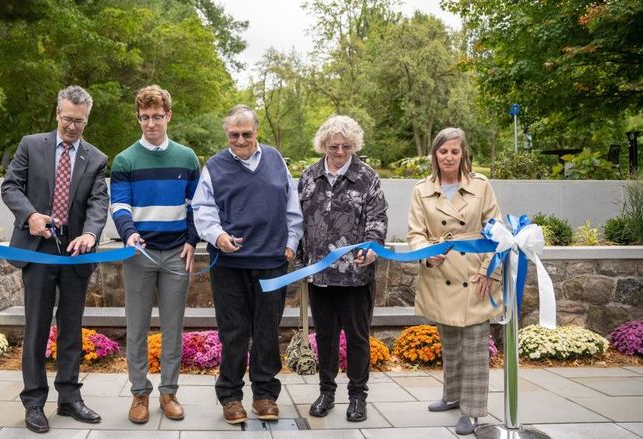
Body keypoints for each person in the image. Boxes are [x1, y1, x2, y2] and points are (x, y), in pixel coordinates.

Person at [1, 85, 109, 433]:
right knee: (36, 329)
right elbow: (10, 187)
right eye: (67, 119)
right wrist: (30, 215)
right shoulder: (31, 145)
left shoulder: (96, 158)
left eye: (79, 121)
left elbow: (98, 203)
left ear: (86, 119)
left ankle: (69, 398)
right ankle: (34, 402)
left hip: (76, 254)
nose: (72, 126)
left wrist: (91, 234)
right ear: (57, 112)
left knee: (71, 328)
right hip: (38, 250)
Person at [192, 104, 303, 425]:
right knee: (234, 333)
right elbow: (202, 210)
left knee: (267, 331)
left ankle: (265, 394)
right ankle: (230, 396)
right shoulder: (214, 166)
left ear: (257, 132)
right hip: (229, 265)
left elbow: (291, 205)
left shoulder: (275, 160)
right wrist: (217, 236)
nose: (240, 140)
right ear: (227, 134)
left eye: (246, 134)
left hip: (271, 263)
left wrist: (291, 242)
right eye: (233, 135)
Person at [110, 85, 199, 424]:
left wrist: (192, 239)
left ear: (168, 116)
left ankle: (169, 392)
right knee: (136, 327)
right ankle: (139, 395)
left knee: (174, 327)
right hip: (139, 255)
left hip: (178, 254)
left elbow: (196, 205)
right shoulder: (125, 159)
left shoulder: (187, 157)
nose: (151, 123)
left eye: (157, 117)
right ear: (138, 118)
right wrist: (129, 232)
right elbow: (119, 204)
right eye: (144, 117)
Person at [406, 127, 502, 435]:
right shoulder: (421, 190)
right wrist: (426, 254)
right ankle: (452, 396)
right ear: (435, 154)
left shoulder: (481, 186)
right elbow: (416, 233)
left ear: (463, 154)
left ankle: (473, 412)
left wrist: (491, 271)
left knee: (474, 344)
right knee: (449, 340)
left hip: (475, 273)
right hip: (440, 272)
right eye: (443, 151)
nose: (449, 156)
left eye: (455, 151)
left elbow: (497, 232)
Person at [298, 115, 388, 422]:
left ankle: (358, 396)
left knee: (357, 338)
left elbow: (377, 220)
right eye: (333, 145)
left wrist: (372, 248)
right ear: (323, 144)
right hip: (319, 276)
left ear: (355, 145)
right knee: (325, 336)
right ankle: (326, 392)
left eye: (346, 146)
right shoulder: (309, 177)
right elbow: (298, 222)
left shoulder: (367, 177)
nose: (339, 151)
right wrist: (299, 259)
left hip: (356, 276)